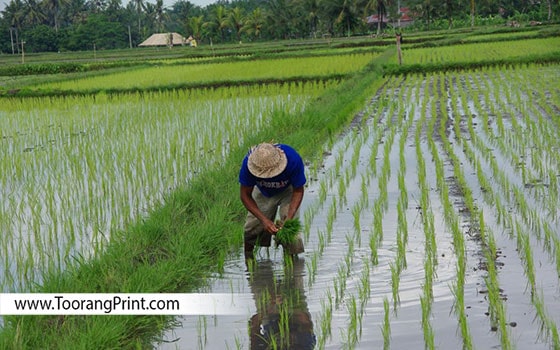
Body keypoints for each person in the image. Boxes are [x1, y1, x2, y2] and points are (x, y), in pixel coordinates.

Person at [239, 142, 306, 260]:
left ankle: (292, 264)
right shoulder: (248, 164)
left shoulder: (293, 160)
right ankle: (248, 261)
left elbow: (298, 190)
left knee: (290, 231)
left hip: (288, 191)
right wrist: (264, 220)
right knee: (252, 227)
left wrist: (289, 217)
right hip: (262, 192)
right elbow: (245, 195)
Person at [248, 258, 316, 350]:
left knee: (258, 279)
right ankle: (294, 259)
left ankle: (259, 264)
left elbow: (253, 325)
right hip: (296, 317)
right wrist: (288, 302)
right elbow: (305, 320)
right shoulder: (305, 346)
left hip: (269, 318)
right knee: (296, 274)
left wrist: (269, 307)